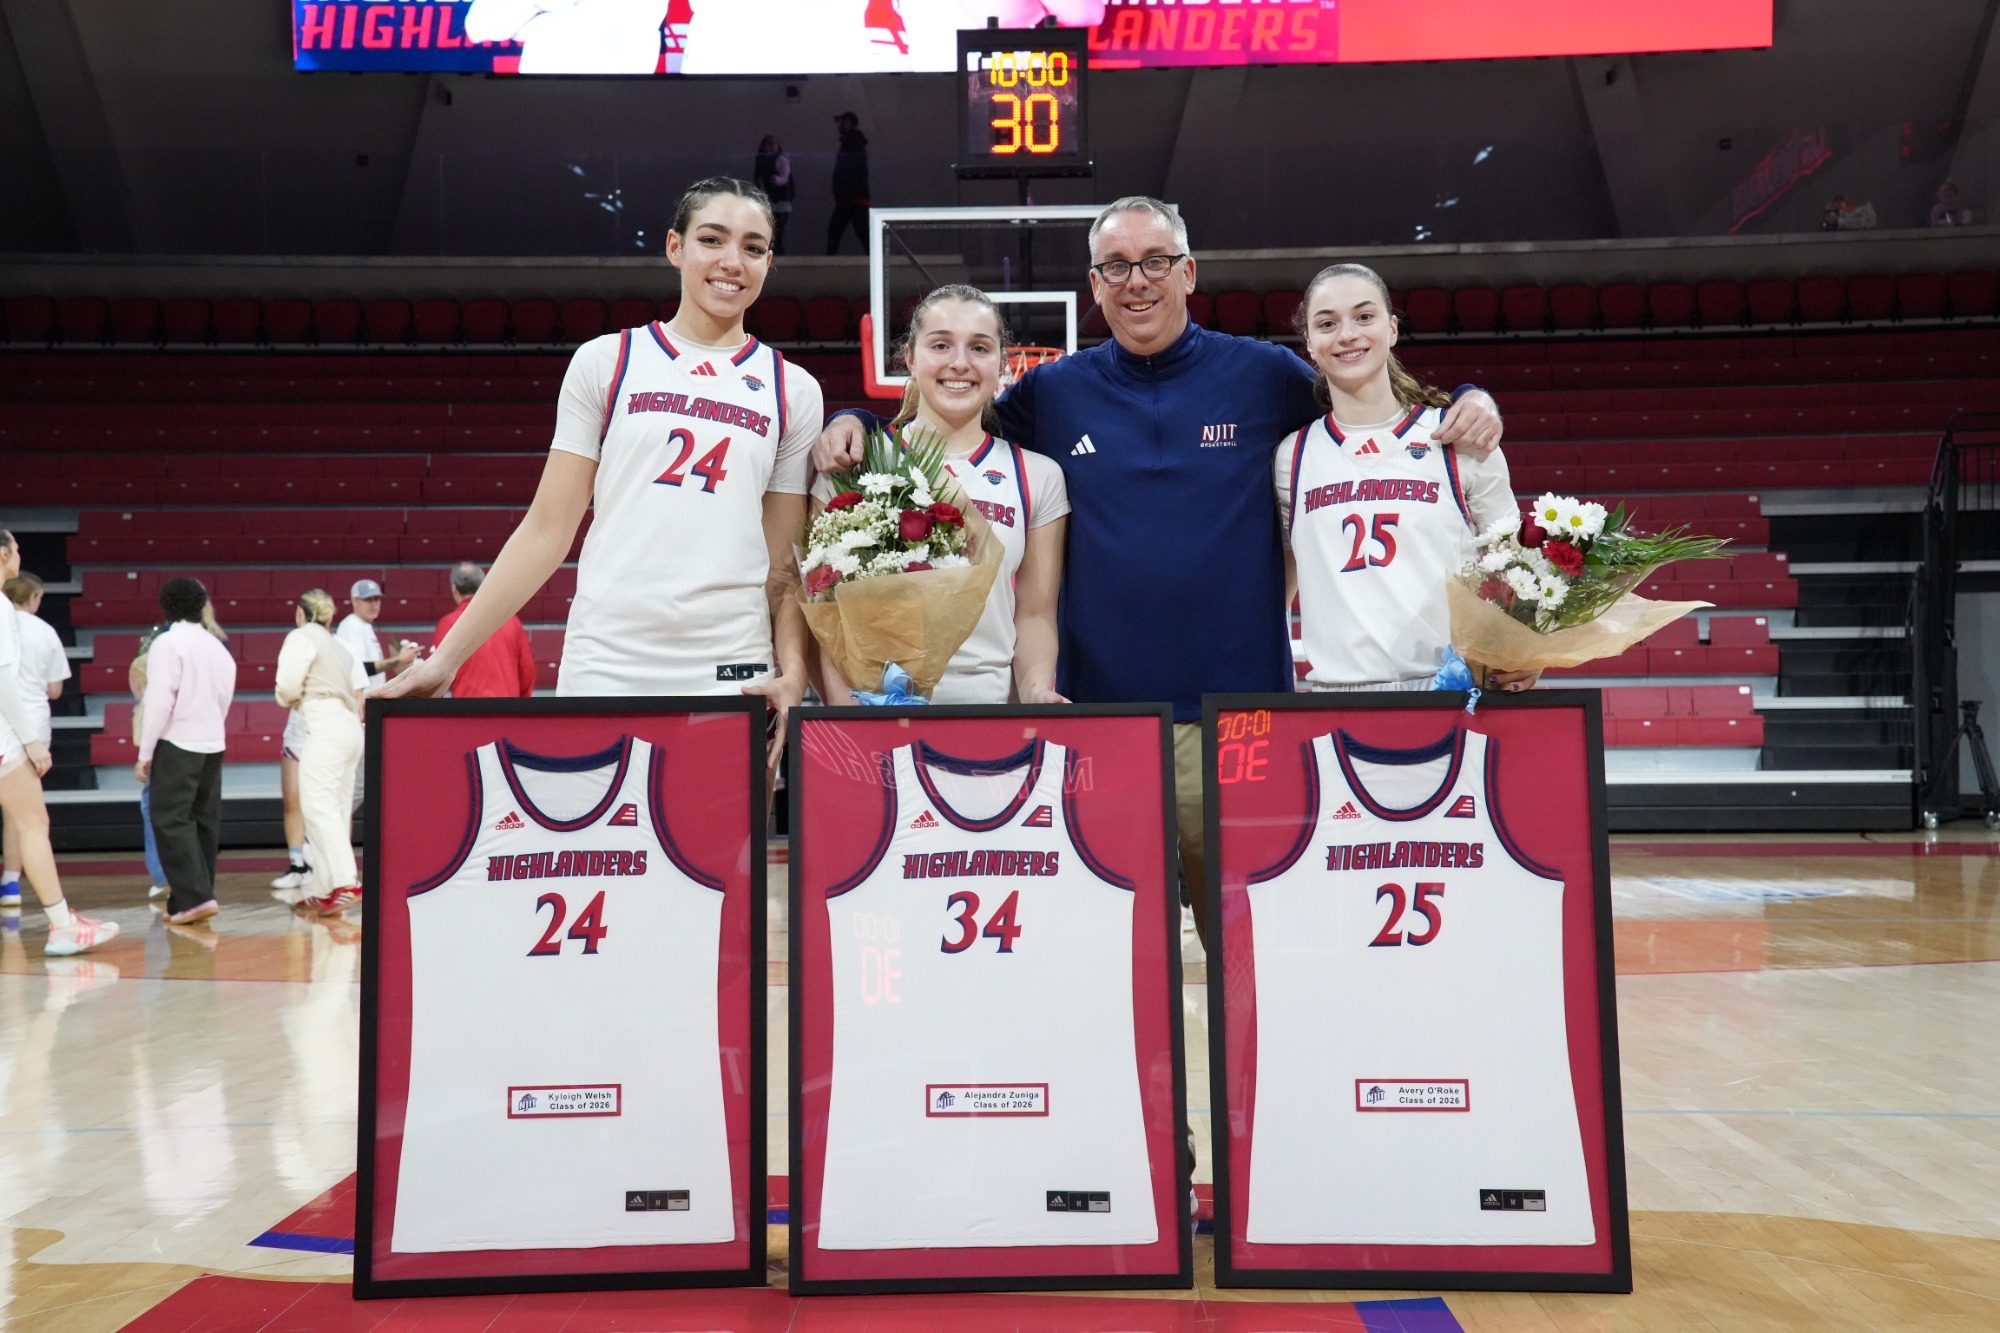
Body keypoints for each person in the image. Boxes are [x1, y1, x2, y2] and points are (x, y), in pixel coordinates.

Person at [815, 196, 1502, 946]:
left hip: (1237, 722)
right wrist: (856, 417)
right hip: (1096, 723)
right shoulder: (1054, 393)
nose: (1137, 281)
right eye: (1117, 266)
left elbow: (1366, 389)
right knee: (1106, 961)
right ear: (1095, 283)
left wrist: (1470, 396)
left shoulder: (1264, 375)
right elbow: (950, 409)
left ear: (1188, 271)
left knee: (1252, 952)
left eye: (1154, 263)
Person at [376, 177, 822, 781]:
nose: (730, 261)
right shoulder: (606, 362)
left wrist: (793, 671)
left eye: (751, 247)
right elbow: (546, 531)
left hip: (731, 668)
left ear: (769, 263)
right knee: (606, 868)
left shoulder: (792, 388)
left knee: (724, 873)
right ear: (674, 247)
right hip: (608, 659)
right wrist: (447, 660)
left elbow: (784, 567)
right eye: (711, 239)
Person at [1277, 263, 1533, 693]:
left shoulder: (1459, 439)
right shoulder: (1292, 457)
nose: (1347, 334)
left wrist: (1529, 653)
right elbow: (1278, 584)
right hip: (1336, 700)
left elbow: (1517, 570)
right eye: (1327, 323)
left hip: (1453, 690)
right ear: (1309, 342)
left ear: (1392, 328)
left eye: (1364, 316)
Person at [812, 285, 1069, 705]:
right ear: (910, 358)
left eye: (980, 348)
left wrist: (1038, 689)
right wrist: (847, 718)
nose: (960, 363)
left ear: (1002, 365)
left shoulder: (1038, 476)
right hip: (876, 710)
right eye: (941, 345)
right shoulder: (853, 462)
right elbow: (825, 607)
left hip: (990, 714)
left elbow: (1035, 612)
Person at [0, 532, 117, 955]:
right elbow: (3, 683)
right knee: (33, 826)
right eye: (16, 548)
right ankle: (62, 925)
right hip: (7, 737)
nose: (21, 554)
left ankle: (64, 919)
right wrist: (30, 741)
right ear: (3, 555)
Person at [138, 577, 238, 926]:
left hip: (178, 740)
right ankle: (195, 895)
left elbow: (159, 701)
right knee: (205, 821)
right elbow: (226, 694)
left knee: (170, 818)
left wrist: (145, 752)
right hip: (213, 739)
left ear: (166, 606)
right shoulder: (217, 646)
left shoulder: (168, 644)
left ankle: (194, 898)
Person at [276, 589, 367, 917]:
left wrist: (285, 698)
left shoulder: (301, 637)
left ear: (301, 614)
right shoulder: (339, 645)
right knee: (338, 808)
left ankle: (344, 883)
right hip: (351, 728)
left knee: (316, 806)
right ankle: (328, 886)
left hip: (324, 723)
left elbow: (287, 686)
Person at [2, 574, 71, 905]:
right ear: (34, 598)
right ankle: (12, 882)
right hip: (29, 727)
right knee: (25, 816)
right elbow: (56, 689)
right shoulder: (44, 631)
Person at [432, 563, 536, 698]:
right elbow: (527, 667)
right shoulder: (511, 620)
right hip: (508, 708)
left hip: (467, 710)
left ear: (455, 589)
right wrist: (520, 702)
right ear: (483, 586)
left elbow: (435, 675)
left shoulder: (448, 623)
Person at [336, 579, 416, 690]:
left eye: (377, 599)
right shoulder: (351, 625)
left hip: (369, 698)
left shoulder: (364, 626)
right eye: (367, 599)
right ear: (354, 601)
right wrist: (398, 660)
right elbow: (359, 668)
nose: (373, 604)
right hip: (360, 699)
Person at [825, 112, 871, 256]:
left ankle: (828, 264)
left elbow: (849, 169)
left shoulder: (851, 142)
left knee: (837, 230)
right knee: (861, 232)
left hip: (851, 197)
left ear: (849, 123)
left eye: (842, 122)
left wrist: (843, 191)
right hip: (853, 196)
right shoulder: (853, 141)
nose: (839, 125)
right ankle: (876, 260)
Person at [754, 135, 793, 253]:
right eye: (768, 143)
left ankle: (780, 261)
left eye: (773, 143)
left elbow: (784, 178)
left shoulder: (781, 159)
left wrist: (776, 179)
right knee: (772, 235)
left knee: (776, 235)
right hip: (769, 203)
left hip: (780, 203)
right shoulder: (761, 161)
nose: (771, 145)